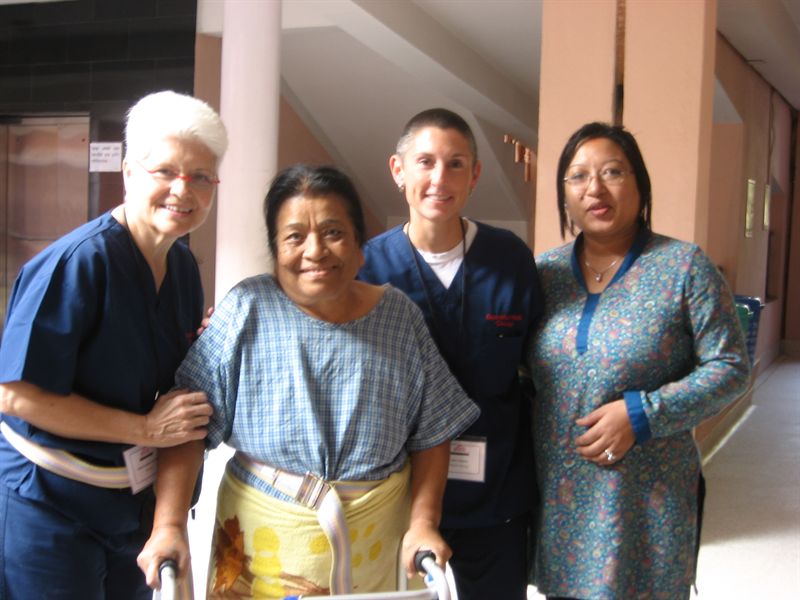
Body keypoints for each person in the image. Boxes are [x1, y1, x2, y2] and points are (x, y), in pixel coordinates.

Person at [136, 164, 480, 599]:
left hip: (376, 543)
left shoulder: (398, 316)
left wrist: (424, 523)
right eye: (294, 236)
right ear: (275, 249)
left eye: (334, 232)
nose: (315, 251)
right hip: (262, 547)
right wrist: (168, 526)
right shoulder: (247, 309)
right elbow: (187, 425)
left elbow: (433, 431)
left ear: (360, 245)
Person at [0, 90, 226, 599]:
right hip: (48, 503)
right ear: (128, 173)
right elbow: (15, 395)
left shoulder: (184, 268)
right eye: (164, 171)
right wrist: (144, 427)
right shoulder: (78, 263)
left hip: (128, 502)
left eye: (201, 177)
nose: (181, 189)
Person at [527, 122, 751, 599]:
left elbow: (731, 367)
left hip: (645, 503)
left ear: (639, 184)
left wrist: (643, 413)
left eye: (612, 172)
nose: (595, 188)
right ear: (564, 194)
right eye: (578, 176)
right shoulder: (543, 274)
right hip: (563, 503)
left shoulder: (684, 267)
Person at [358, 108, 544, 600]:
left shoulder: (510, 258)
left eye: (456, 164)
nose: (440, 178)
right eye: (425, 162)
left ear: (476, 175)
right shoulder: (366, 267)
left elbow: (540, 365)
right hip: (396, 498)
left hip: (495, 498)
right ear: (398, 171)